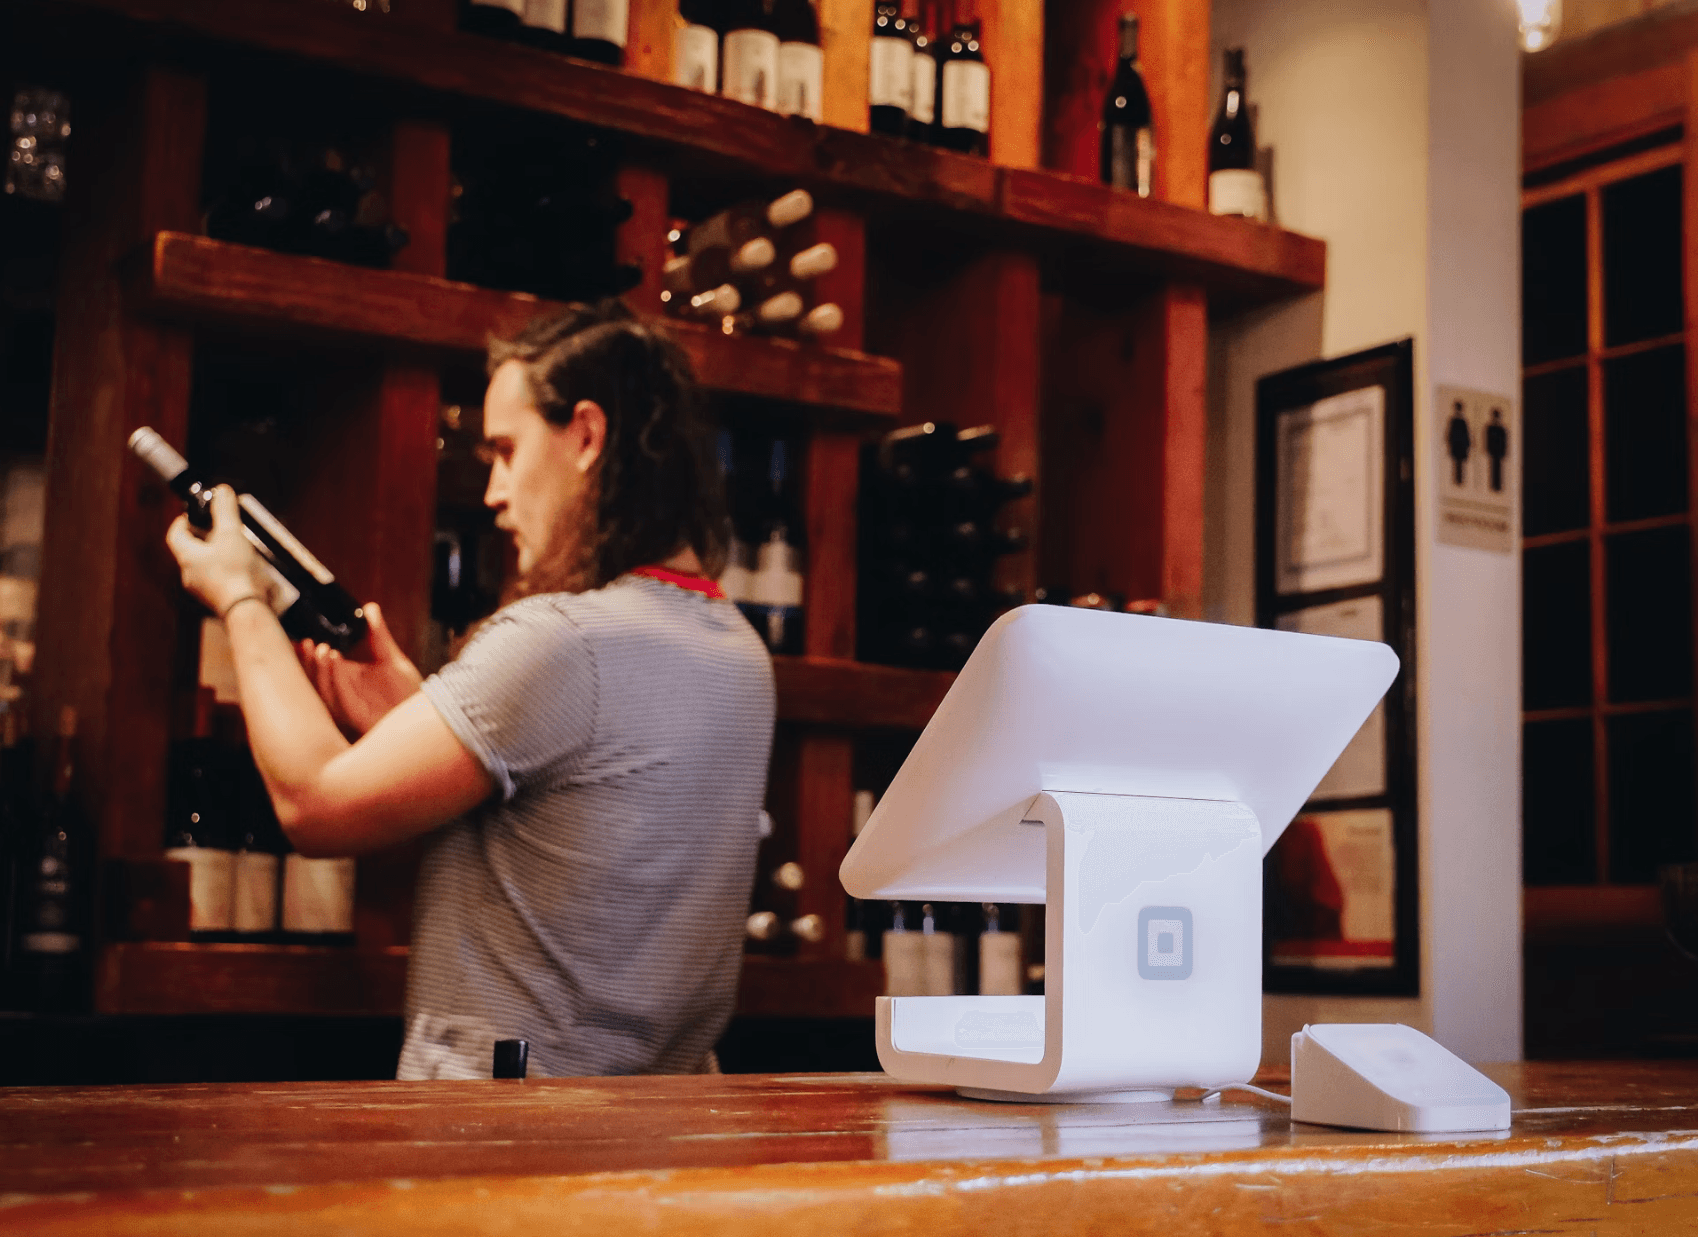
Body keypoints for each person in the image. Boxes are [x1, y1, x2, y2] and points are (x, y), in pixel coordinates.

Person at [165, 301, 776, 1079]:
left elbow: (313, 803)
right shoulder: (738, 652)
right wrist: (425, 711)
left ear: (585, 436)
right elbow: (577, 825)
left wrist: (240, 597)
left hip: (502, 1148)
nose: (491, 491)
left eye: (506, 451)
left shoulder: (562, 639)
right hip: (655, 1153)